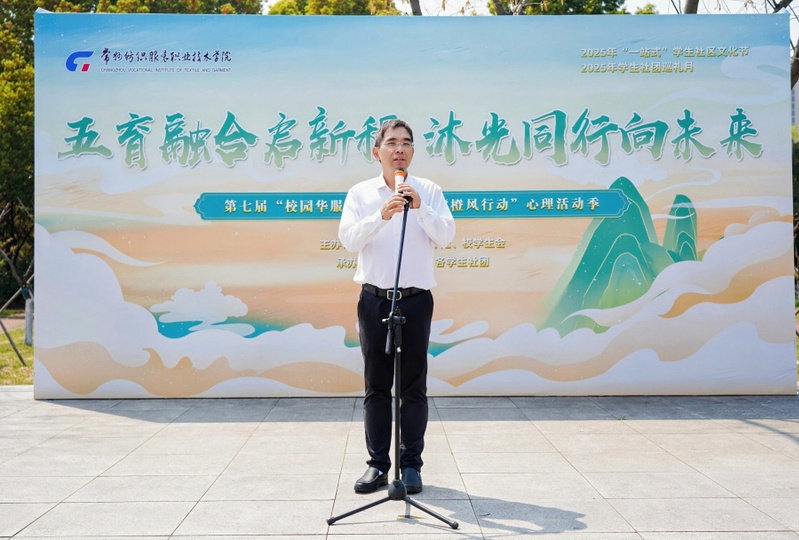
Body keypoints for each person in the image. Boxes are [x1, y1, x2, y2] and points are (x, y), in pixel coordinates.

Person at [338, 119, 456, 494]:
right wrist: (381, 216)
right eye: (391, 142)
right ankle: (377, 465)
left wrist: (420, 209)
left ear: (413, 151)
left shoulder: (429, 191)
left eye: (406, 142)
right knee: (376, 386)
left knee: (413, 387)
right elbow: (348, 240)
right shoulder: (360, 193)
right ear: (377, 151)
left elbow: (446, 236)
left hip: (416, 300)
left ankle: (411, 466)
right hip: (374, 299)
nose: (399, 149)